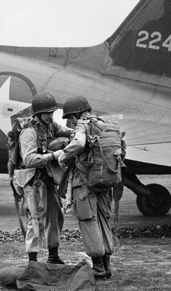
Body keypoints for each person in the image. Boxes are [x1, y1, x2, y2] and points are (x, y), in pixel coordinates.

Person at [58, 96, 124, 279]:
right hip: (104, 180)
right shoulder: (105, 123)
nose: (70, 122)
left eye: (70, 117)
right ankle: (107, 266)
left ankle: (98, 268)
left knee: (88, 221)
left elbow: (78, 143)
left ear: (76, 114)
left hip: (85, 182)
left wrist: (62, 156)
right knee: (104, 220)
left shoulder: (83, 125)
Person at [15, 92, 73, 264]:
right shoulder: (29, 132)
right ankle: (32, 260)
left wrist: (79, 133)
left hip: (47, 179)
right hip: (33, 181)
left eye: (52, 112)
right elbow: (29, 160)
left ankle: (53, 255)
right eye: (47, 113)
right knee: (36, 220)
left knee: (56, 216)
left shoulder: (50, 126)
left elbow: (66, 131)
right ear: (38, 114)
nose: (50, 116)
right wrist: (53, 155)